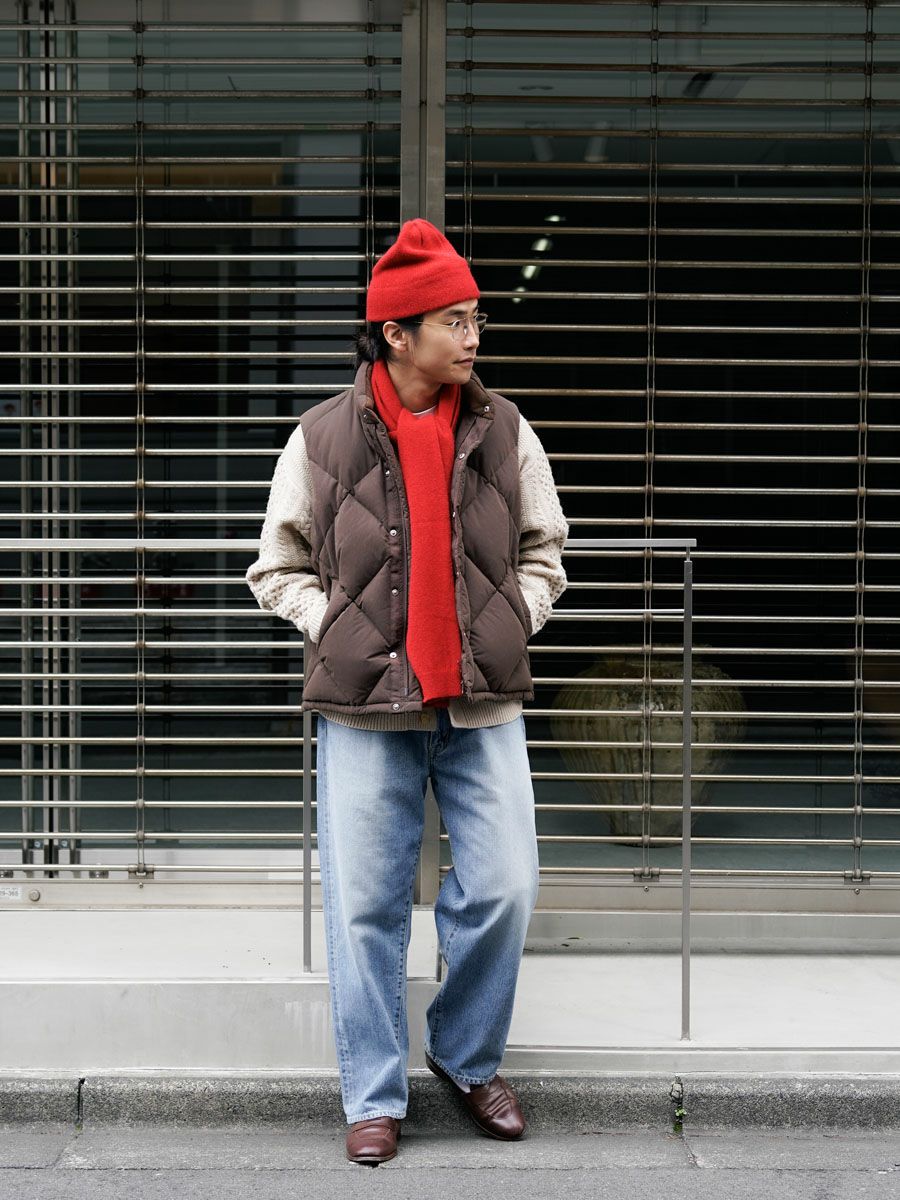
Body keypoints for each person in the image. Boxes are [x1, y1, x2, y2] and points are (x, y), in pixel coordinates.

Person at [245, 218, 569, 1166]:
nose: (473, 336)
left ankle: (465, 1059)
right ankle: (374, 1094)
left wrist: (511, 619)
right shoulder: (321, 437)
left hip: (481, 703)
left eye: (475, 318)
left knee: (505, 886)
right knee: (363, 907)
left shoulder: (505, 429)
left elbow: (546, 550)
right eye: (454, 321)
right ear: (397, 332)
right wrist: (337, 629)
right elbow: (275, 566)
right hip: (365, 711)